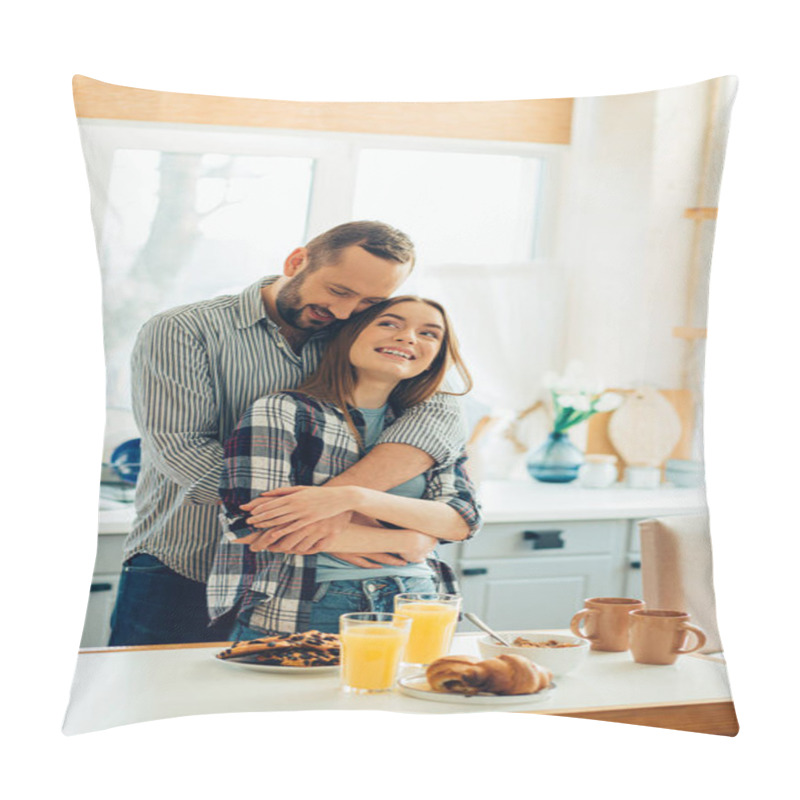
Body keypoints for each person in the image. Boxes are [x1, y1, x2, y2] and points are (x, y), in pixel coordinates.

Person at [108, 221, 466, 646]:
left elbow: (438, 409)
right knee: (155, 703)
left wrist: (332, 512)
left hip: (293, 586)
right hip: (185, 563)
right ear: (296, 262)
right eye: (339, 291)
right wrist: (325, 533)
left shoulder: (356, 335)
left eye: (371, 301)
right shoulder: (185, 329)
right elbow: (182, 450)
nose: (348, 311)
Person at [207, 296, 481, 638]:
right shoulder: (284, 411)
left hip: (418, 600)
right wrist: (408, 538)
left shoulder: (429, 425)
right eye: (390, 323)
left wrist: (355, 498)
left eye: (429, 334)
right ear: (348, 334)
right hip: (311, 601)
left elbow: (460, 520)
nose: (409, 337)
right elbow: (252, 525)